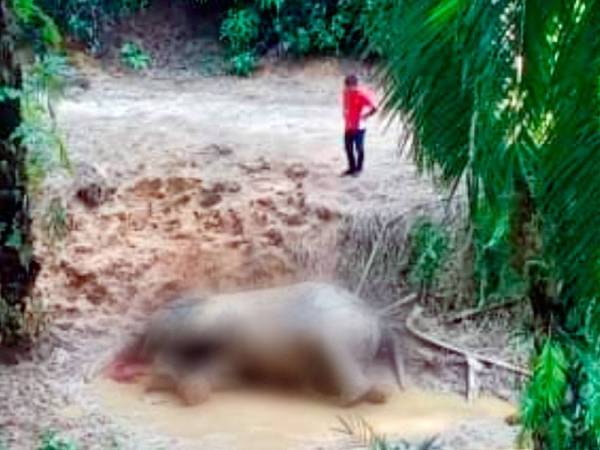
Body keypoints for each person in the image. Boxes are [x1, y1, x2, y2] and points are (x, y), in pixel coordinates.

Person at [341, 74, 378, 177]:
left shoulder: (361, 94)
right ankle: (351, 168)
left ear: (355, 85)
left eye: (349, 86)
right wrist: (345, 113)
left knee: (359, 148)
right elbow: (346, 105)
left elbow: (375, 107)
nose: (347, 88)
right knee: (348, 148)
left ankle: (359, 168)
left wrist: (366, 115)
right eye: (346, 86)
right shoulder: (345, 93)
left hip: (359, 127)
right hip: (348, 126)